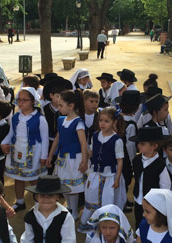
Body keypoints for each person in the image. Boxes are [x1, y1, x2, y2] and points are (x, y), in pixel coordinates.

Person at [79, 107, 127, 233]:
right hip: (95, 173)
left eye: (106, 121)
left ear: (114, 122)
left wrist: (117, 178)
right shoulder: (95, 135)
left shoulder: (117, 140)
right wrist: (85, 158)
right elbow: (92, 152)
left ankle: (106, 227)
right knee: (91, 197)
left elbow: (120, 160)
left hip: (110, 175)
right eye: (101, 120)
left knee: (107, 200)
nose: (103, 123)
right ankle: (90, 225)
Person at [1, 87, 49, 212]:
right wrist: (4, 143)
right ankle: (20, 201)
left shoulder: (40, 119)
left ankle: (39, 204)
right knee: (18, 178)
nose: (21, 103)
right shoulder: (15, 117)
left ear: (33, 101)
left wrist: (44, 156)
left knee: (34, 179)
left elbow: (45, 139)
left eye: (24, 100)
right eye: (19, 100)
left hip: (34, 152)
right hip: (17, 150)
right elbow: (11, 133)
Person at [46, 90, 89, 220]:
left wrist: (84, 161)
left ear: (71, 105)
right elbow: (57, 139)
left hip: (75, 159)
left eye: (61, 105)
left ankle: (74, 210)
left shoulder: (78, 123)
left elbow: (83, 143)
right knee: (64, 184)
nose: (59, 109)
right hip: (62, 158)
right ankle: (69, 206)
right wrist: (50, 156)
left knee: (73, 186)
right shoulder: (60, 120)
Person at [130, 127, 171, 229]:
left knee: (151, 224)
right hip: (139, 199)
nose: (139, 145)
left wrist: (160, 203)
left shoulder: (160, 164)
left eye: (143, 143)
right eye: (139, 143)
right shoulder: (137, 160)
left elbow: (165, 187)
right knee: (139, 222)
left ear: (154, 146)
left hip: (153, 203)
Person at [42, 77, 73, 173]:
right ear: (51, 95)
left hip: (63, 143)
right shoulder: (44, 109)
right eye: (58, 96)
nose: (60, 99)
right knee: (49, 166)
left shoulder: (68, 110)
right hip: (48, 142)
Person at [118, 90, 141, 213]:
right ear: (136, 108)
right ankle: (122, 202)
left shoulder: (118, 118)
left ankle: (124, 200)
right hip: (126, 157)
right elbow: (130, 145)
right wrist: (133, 162)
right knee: (125, 181)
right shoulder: (131, 124)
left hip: (117, 155)